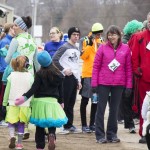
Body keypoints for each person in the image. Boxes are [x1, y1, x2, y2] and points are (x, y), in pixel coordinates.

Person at [15, 51, 68, 150]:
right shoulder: (58, 75)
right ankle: (51, 135)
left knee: (40, 126)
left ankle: (40, 146)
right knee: (52, 122)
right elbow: (61, 90)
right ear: (50, 60)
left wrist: (24, 97)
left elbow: (33, 89)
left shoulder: (39, 74)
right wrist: (61, 102)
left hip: (39, 102)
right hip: (52, 102)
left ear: (40, 63)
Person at [91, 25, 132, 143]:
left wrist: (129, 86)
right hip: (103, 83)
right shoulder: (102, 48)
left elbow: (128, 68)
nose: (111, 37)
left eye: (114, 34)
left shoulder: (125, 49)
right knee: (101, 109)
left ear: (119, 35)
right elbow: (96, 67)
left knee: (114, 110)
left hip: (119, 84)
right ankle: (99, 135)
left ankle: (112, 134)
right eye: (109, 34)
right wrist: (94, 83)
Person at [4, 16, 40, 140]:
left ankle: (13, 131)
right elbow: (36, 63)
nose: (13, 27)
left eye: (16, 25)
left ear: (22, 27)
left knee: (14, 102)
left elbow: (8, 60)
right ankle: (25, 129)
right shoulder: (33, 40)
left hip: (16, 75)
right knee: (26, 103)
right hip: (29, 76)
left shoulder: (16, 41)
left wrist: (6, 52)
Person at [53, 27, 82, 134]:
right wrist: (63, 70)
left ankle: (69, 124)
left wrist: (79, 80)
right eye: (74, 34)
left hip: (74, 78)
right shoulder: (64, 47)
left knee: (71, 102)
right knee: (63, 101)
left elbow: (76, 65)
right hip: (66, 78)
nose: (76, 36)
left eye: (78, 35)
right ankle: (60, 125)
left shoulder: (77, 49)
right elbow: (54, 60)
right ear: (70, 35)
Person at [117, 20, 143, 133]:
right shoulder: (124, 42)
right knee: (126, 98)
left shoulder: (137, 40)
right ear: (133, 30)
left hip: (133, 73)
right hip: (125, 73)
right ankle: (129, 122)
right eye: (138, 30)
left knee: (130, 98)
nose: (140, 31)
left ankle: (131, 121)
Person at [2, 55, 33, 149]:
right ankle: (19, 144)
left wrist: (4, 103)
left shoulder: (11, 76)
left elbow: (7, 91)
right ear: (27, 65)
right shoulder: (30, 76)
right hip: (25, 104)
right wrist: (32, 103)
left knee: (11, 122)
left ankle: (12, 136)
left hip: (12, 103)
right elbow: (32, 91)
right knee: (21, 124)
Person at [129, 12, 150, 144]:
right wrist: (137, 70)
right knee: (145, 107)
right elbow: (134, 57)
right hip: (145, 78)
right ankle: (144, 132)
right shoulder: (140, 37)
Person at [79, 23, 104, 133]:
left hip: (98, 75)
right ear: (93, 33)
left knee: (95, 101)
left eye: (100, 34)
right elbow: (83, 57)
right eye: (97, 34)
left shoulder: (102, 41)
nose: (99, 36)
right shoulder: (85, 40)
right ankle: (84, 125)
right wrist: (89, 45)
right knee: (85, 100)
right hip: (87, 74)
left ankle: (92, 124)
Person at [0, 23, 15, 126]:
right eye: (15, 28)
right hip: (4, 72)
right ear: (10, 29)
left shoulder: (12, 41)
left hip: (9, 72)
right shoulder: (5, 41)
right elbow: (3, 59)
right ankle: (1, 118)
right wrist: (6, 70)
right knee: (3, 96)